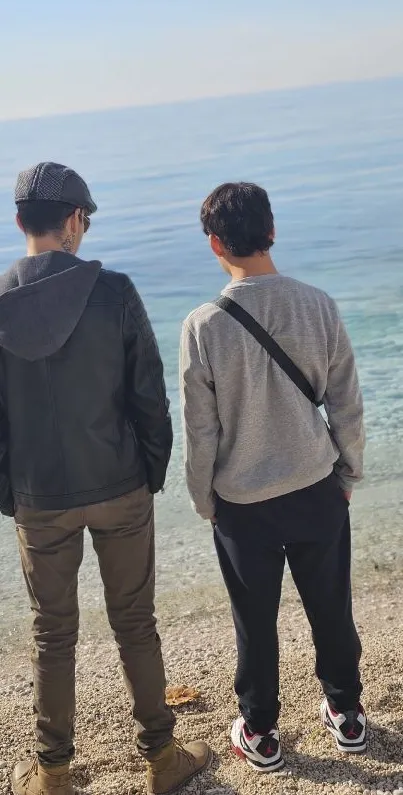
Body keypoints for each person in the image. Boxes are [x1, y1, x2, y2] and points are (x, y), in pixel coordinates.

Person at [0, 162, 210, 795]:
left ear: (19, 223)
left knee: (51, 633)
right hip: (119, 485)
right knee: (134, 623)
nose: (83, 230)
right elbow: (150, 400)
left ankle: (54, 774)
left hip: (41, 498)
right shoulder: (114, 291)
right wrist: (150, 473)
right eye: (84, 219)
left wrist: (13, 495)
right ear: (71, 222)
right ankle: (162, 759)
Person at [180, 182, 366, 773]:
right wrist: (349, 472)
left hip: (243, 502)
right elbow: (347, 405)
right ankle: (347, 715)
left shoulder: (203, 325)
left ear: (214, 243)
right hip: (317, 487)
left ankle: (259, 732)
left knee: (254, 622)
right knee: (332, 608)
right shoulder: (318, 304)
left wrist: (204, 499)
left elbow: (200, 431)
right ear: (273, 230)